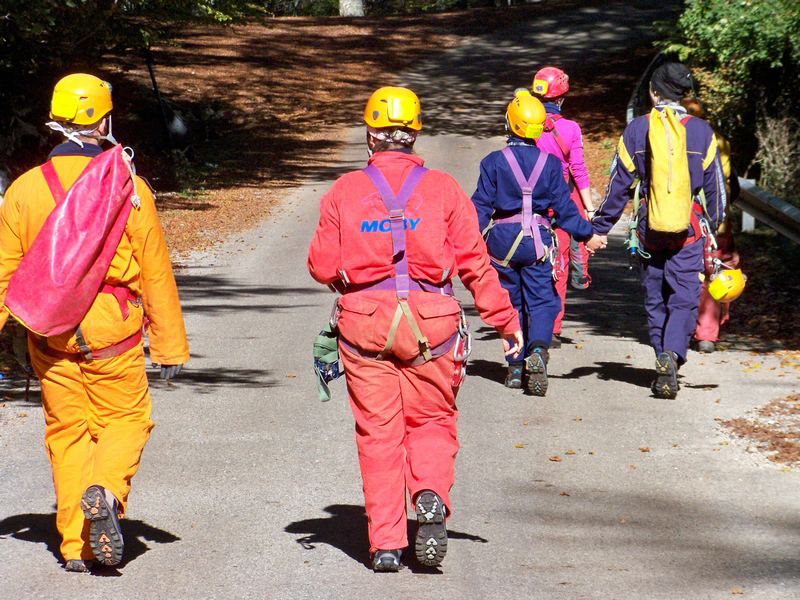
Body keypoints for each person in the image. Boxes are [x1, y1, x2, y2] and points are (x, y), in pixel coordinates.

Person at [307, 86, 523, 572]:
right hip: (432, 321)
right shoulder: (444, 188)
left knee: (378, 432)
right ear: (414, 134)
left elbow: (320, 266)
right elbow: (476, 265)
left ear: (370, 136)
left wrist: (354, 273)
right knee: (430, 420)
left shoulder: (344, 190)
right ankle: (428, 494)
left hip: (365, 323)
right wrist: (507, 322)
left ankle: (385, 544)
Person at [0, 73, 189, 571]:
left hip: (51, 334)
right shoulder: (129, 187)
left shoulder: (22, 190)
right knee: (127, 420)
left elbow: (4, 274)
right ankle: (104, 491)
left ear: (56, 123)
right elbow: (153, 268)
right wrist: (169, 345)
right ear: (104, 120)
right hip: (113, 330)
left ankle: (75, 546)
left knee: (68, 435)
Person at [591, 62, 726, 397]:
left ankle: (660, 354)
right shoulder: (701, 132)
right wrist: (715, 225)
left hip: (650, 228)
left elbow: (617, 186)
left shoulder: (637, 129)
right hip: (690, 230)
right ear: (685, 94)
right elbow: (717, 190)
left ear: (653, 92)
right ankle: (673, 355)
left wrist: (600, 226)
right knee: (684, 297)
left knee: (655, 297)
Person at [471, 89, 603, 395]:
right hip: (538, 242)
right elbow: (567, 212)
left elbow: (479, 209)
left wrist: (458, 242)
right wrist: (589, 236)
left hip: (502, 243)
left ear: (510, 124)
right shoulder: (552, 165)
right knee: (543, 300)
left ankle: (515, 368)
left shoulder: (493, 162)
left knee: (511, 303)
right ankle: (539, 352)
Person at [531, 67, 595, 348]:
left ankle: (531, 321)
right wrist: (590, 209)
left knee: (533, 262)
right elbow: (579, 170)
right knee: (560, 263)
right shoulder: (570, 128)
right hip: (562, 206)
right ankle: (554, 328)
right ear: (561, 98)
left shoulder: (526, 124)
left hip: (531, 205)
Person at [683, 99, 741, 353]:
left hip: (682, 218)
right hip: (718, 221)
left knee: (683, 273)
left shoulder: (670, 138)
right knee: (716, 270)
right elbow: (731, 185)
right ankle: (707, 334)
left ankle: (680, 329)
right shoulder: (718, 140)